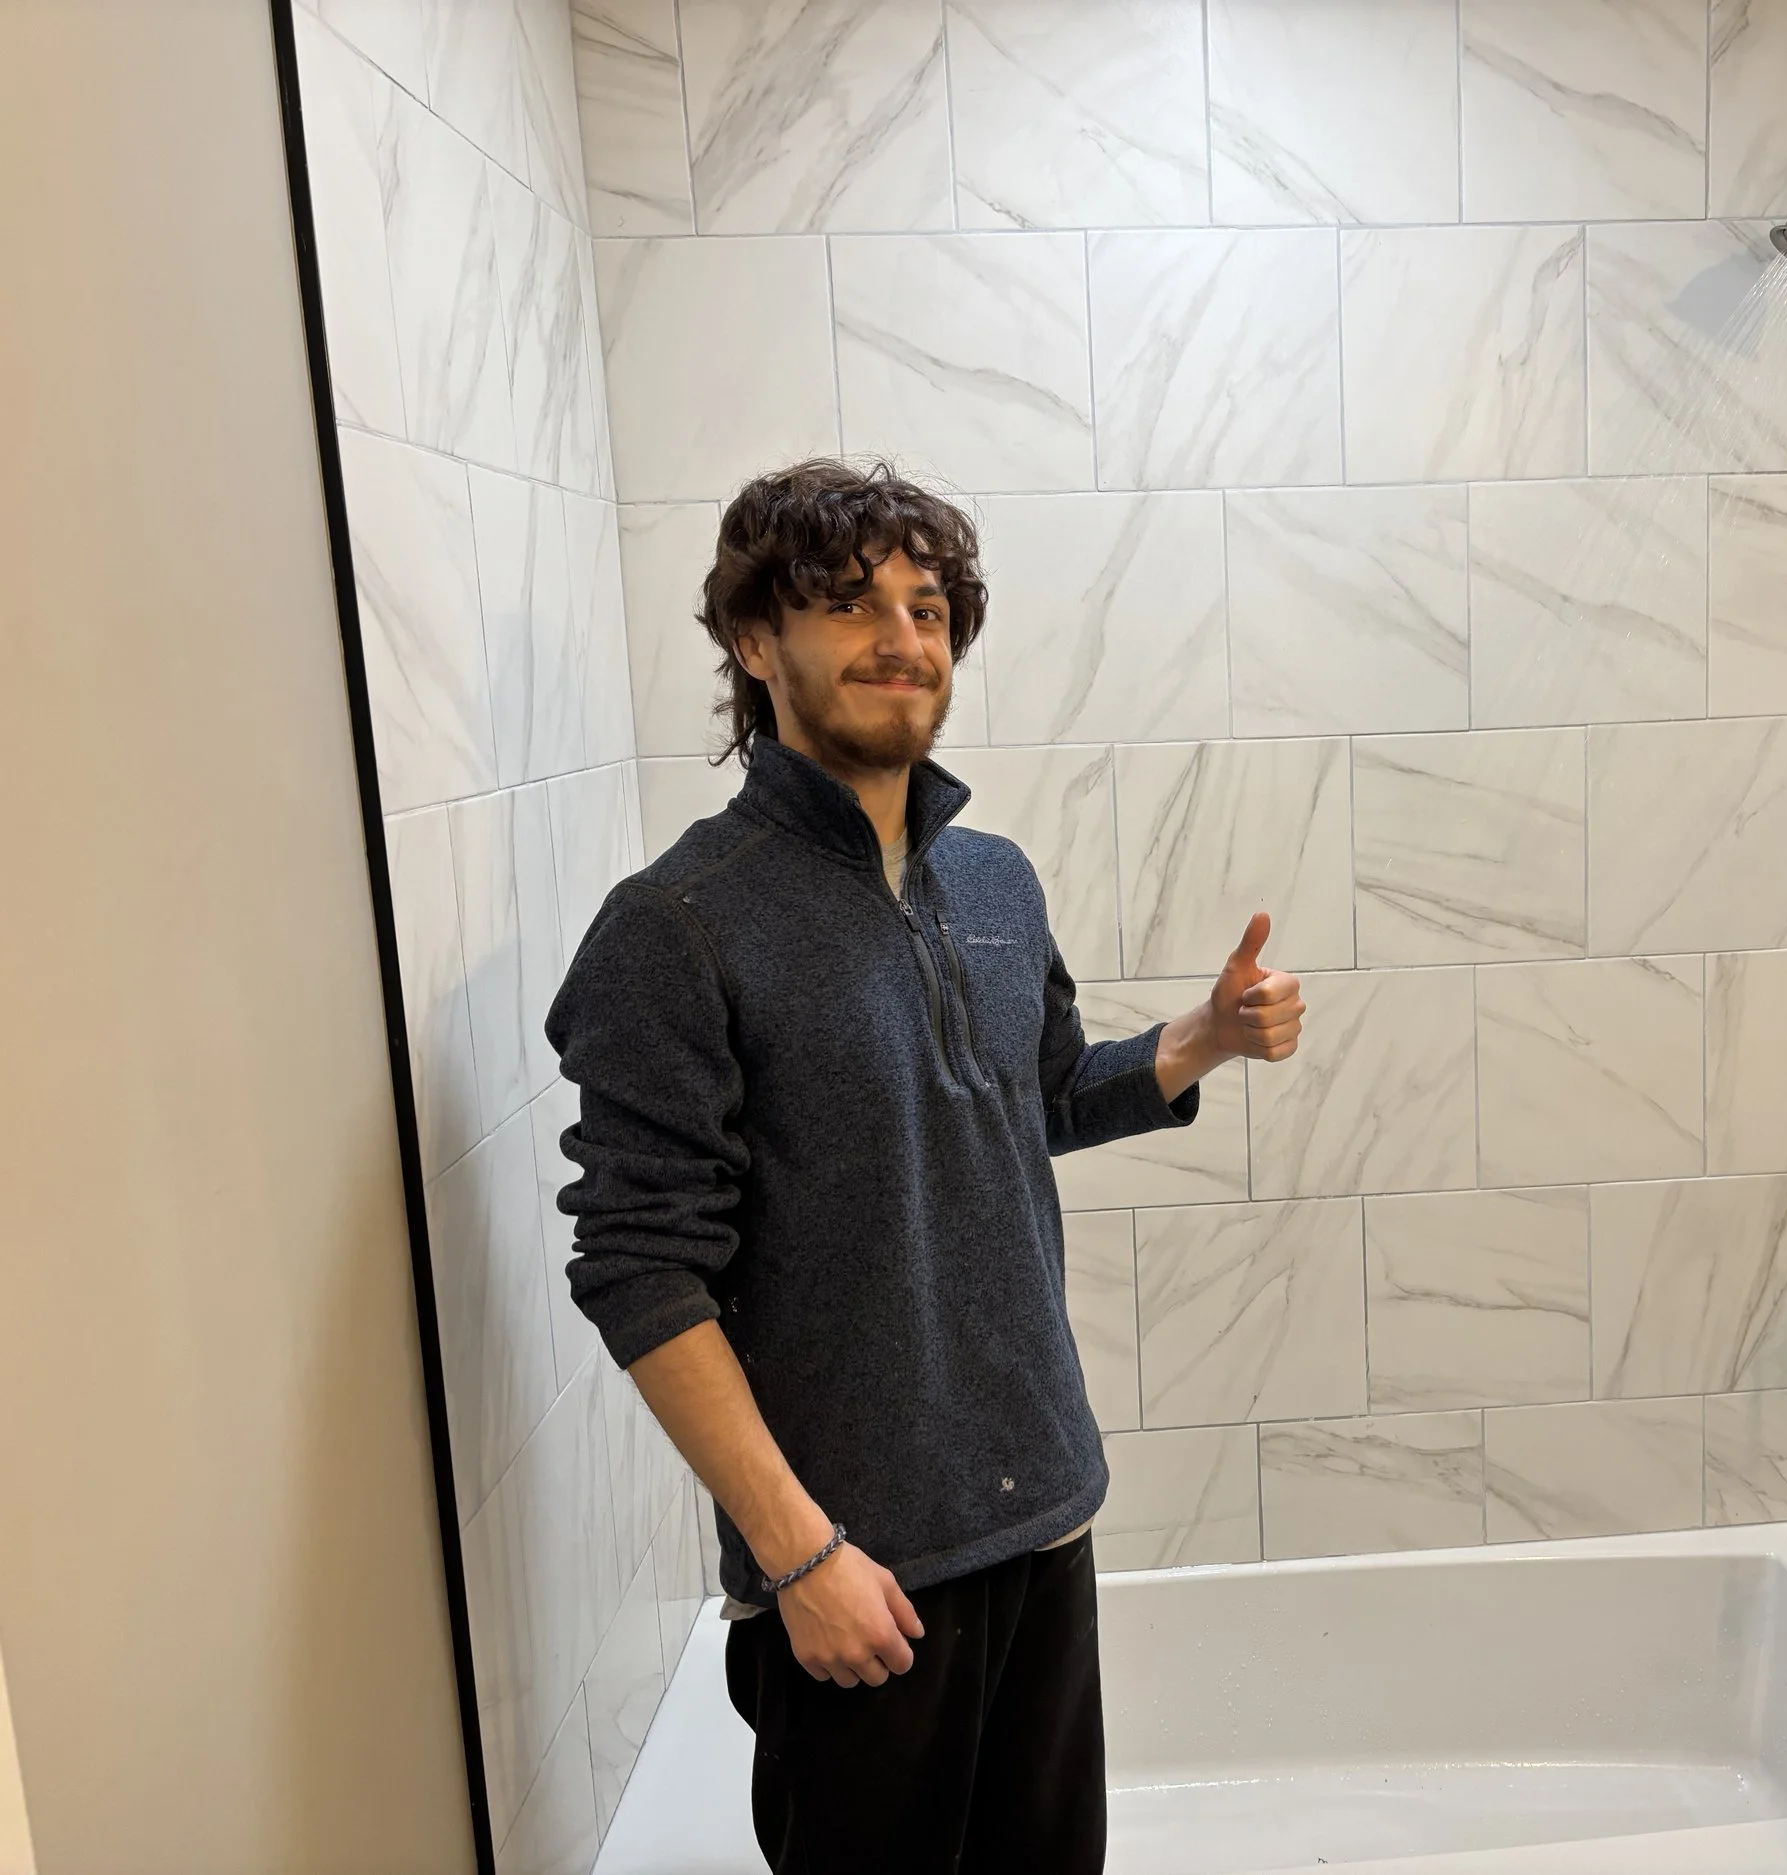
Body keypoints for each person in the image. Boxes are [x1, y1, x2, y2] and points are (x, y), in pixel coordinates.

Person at [545, 459, 1306, 1872]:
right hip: (859, 1572)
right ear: (754, 641)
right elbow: (641, 1268)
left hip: (1043, 1508)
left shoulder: (996, 879)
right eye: (850, 603)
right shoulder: (678, 925)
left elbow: (1036, 1100)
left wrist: (1201, 1038)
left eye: (929, 606)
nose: (903, 638)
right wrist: (798, 1553)